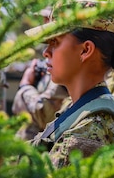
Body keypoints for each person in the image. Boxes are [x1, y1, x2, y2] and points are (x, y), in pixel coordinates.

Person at [28, 0, 114, 168]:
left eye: (55, 42)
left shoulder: (89, 130)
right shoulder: (84, 111)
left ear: (85, 50)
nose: (46, 52)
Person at [12, 7, 70, 141]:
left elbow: (46, 115)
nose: (44, 23)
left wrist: (25, 86)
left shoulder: (63, 68)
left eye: (48, 19)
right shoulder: (47, 62)